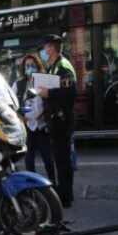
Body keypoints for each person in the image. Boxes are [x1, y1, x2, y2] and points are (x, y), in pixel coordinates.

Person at [38, 34, 78, 208]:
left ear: (51, 48)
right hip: (56, 119)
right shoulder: (54, 66)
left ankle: (65, 197)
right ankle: (65, 193)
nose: (43, 51)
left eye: (44, 47)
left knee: (63, 161)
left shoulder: (63, 67)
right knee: (61, 160)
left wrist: (49, 93)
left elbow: (71, 93)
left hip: (62, 121)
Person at [12, 54, 56, 184]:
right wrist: (20, 117)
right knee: (29, 160)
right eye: (27, 66)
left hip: (42, 126)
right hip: (27, 127)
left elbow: (51, 101)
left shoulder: (43, 81)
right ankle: (33, 186)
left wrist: (42, 114)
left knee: (47, 158)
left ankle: (53, 184)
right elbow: (11, 103)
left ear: (38, 66)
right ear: (23, 68)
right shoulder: (19, 84)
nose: (30, 68)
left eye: (32, 65)